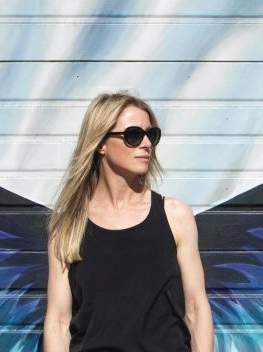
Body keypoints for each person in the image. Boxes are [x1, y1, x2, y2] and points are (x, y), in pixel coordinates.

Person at [43, 91, 214, 351]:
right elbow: (58, 321)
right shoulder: (68, 226)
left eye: (151, 135)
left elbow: (196, 309)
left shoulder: (175, 216)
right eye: (133, 135)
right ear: (100, 143)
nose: (146, 143)